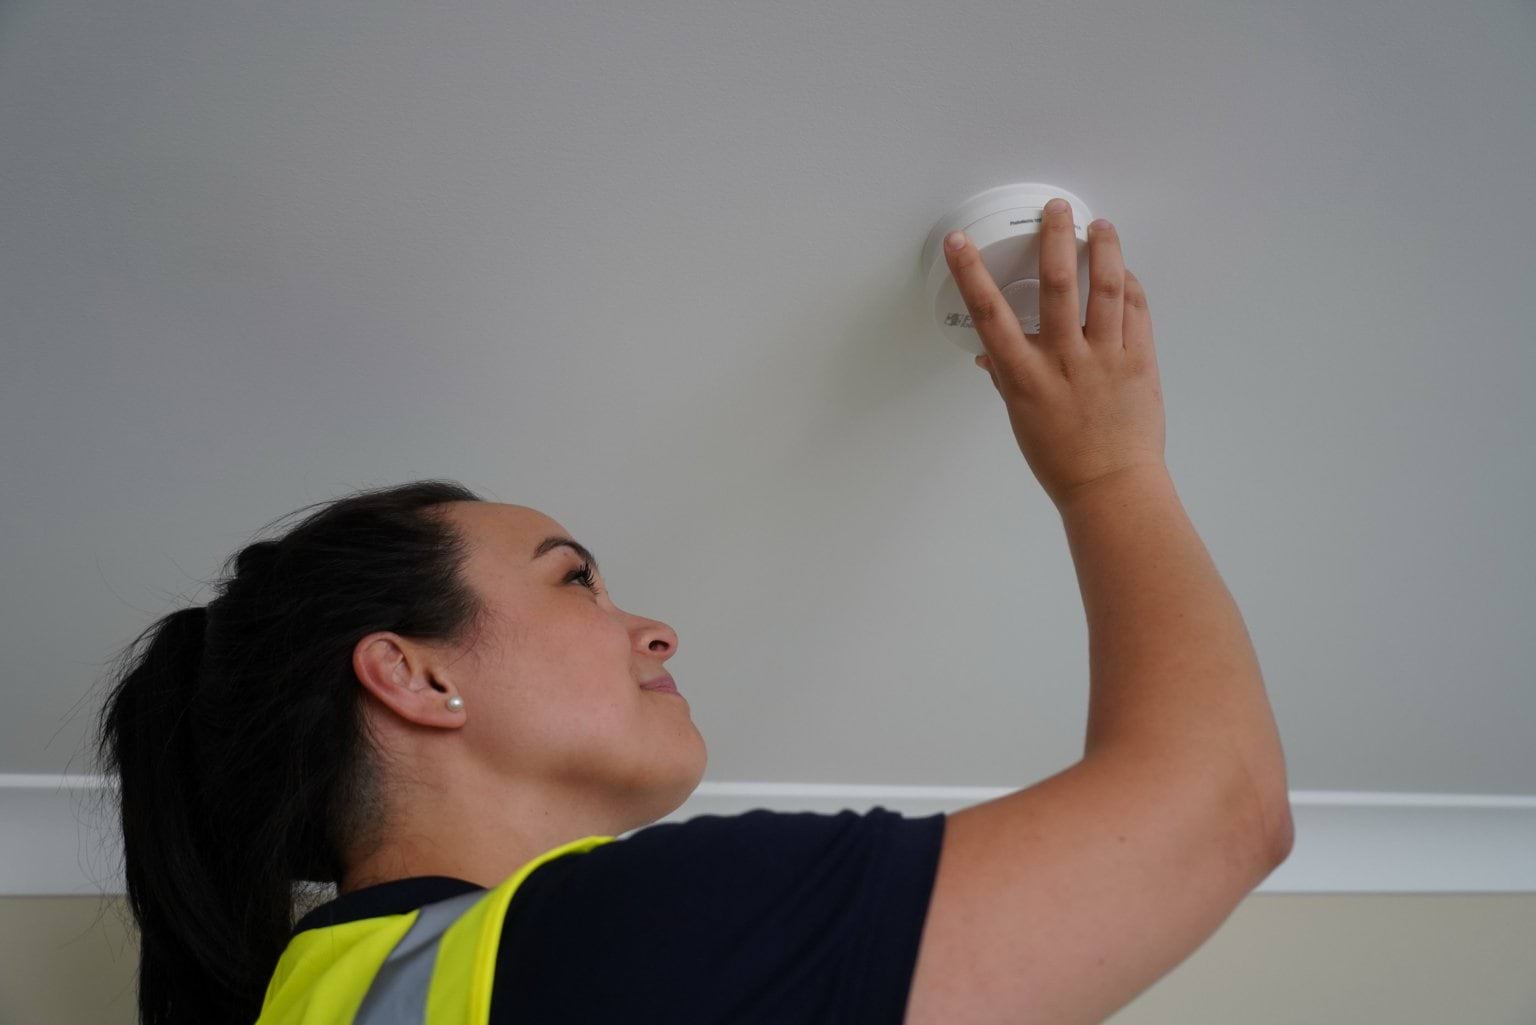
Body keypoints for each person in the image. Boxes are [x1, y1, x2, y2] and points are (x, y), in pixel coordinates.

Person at [96, 199, 1292, 1025]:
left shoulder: (332, 992)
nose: (657, 631)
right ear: (414, 676)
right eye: (576, 578)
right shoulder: (612, 939)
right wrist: (1110, 472)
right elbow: (1219, 811)